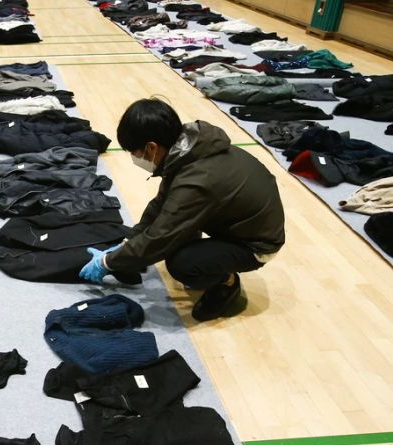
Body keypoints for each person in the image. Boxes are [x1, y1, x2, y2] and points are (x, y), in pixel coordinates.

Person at [79, 98, 286, 321]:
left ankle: (227, 283)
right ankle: (211, 259)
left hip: (257, 243)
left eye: (135, 152)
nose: (135, 158)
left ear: (151, 148)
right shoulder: (189, 150)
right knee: (175, 233)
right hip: (236, 221)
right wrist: (129, 242)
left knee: (182, 264)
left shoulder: (197, 181)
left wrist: (108, 263)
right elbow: (161, 206)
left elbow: (160, 237)